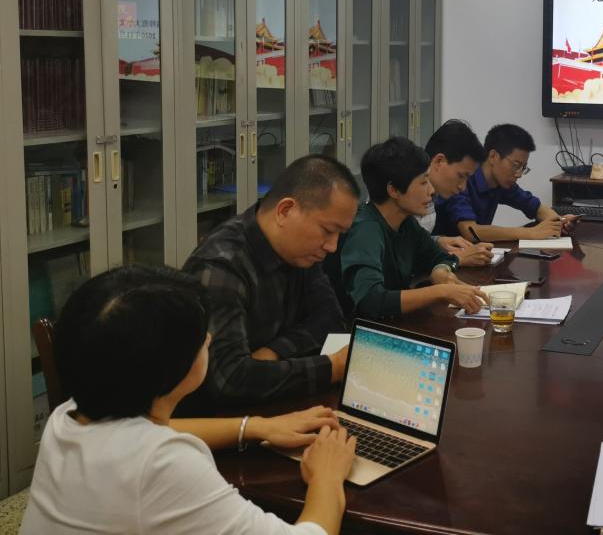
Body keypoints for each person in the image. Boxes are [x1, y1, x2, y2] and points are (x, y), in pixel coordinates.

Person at [21, 265, 356, 535]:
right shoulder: (164, 466)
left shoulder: (69, 415)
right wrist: (326, 477)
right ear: (168, 369)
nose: (209, 339)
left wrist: (254, 427)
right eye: (200, 337)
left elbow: (156, 435)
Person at [182, 155, 359, 410]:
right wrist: (333, 367)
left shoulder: (299, 251)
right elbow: (230, 380)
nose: (332, 246)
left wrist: (273, 352)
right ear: (285, 211)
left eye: (340, 234)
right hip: (215, 421)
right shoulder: (221, 266)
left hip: (270, 406)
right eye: (328, 231)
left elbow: (330, 318)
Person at [336, 137, 490, 320]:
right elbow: (371, 300)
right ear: (393, 190)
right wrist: (441, 291)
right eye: (424, 182)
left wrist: (440, 271)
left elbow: (441, 257)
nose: (431, 190)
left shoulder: (406, 223)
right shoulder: (365, 229)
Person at [433, 123, 577, 241]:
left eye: (523, 167)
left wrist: (558, 221)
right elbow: (471, 231)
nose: (519, 174)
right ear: (493, 156)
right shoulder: (461, 181)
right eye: (515, 165)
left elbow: (536, 207)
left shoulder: (502, 183)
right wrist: (531, 233)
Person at [421, 119, 494, 267]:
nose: (463, 187)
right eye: (461, 176)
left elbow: (413, 240)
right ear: (439, 161)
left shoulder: (433, 195)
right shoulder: (406, 192)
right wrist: (456, 258)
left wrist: (437, 241)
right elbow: (399, 256)